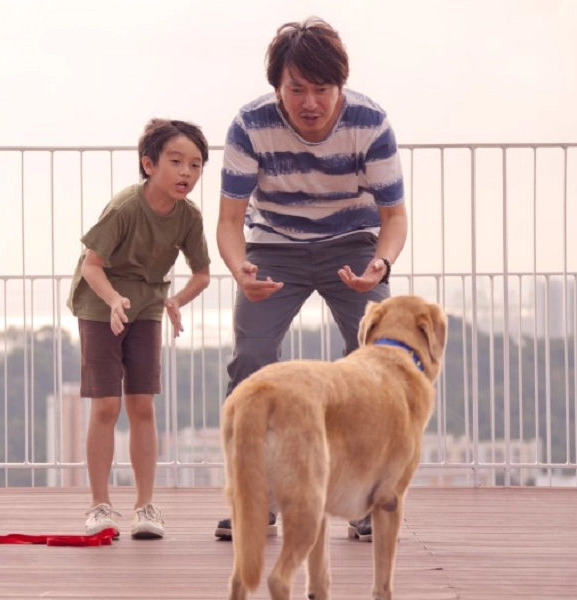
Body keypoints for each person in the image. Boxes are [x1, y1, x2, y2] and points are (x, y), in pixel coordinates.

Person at [213, 17, 408, 542]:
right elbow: (230, 222)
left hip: (354, 247)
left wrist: (380, 266)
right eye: (297, 89)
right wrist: (241, 270)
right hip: (274, 247)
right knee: (252, 361)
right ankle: (255, 500)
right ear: (277, 86)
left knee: (377, 361)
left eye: (322, 89)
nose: (311, 103)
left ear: (339, 86)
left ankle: (366, 501)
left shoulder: (370, 122)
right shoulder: (250, 125)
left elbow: (395, 218)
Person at [67, 118, 212, 540]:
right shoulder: (126, 207)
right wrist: (113, 301)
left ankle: (145, 507)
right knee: (107, 405)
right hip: (100, 302)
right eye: (176, 161)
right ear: (149, 164)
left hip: (146, 304)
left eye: (196, 165)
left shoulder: (188, 217)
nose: (187, 172)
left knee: (142, 404)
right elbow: (92, 266)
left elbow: (201, 274)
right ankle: (99, 506)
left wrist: (176, 301)